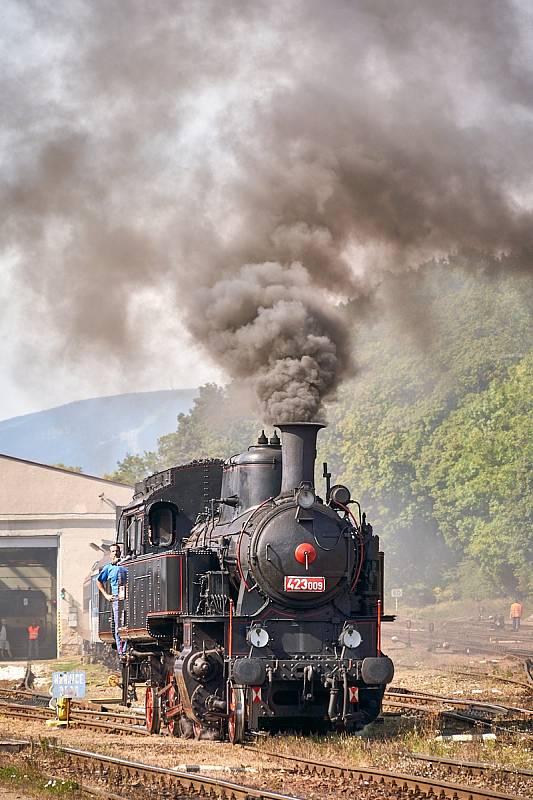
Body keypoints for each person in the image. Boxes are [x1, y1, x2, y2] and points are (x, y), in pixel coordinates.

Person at [97, 543, 127, 656]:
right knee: (118, 625)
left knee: (127, 624)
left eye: (117, 551)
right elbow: (99, 581)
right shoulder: (108, 568)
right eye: (113, 551)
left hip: (128, 598)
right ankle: (121, 651)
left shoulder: (125, 564)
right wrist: (106, 595)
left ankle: (127, 647)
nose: (116, 553)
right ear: (110, 554)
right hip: (116, 599)